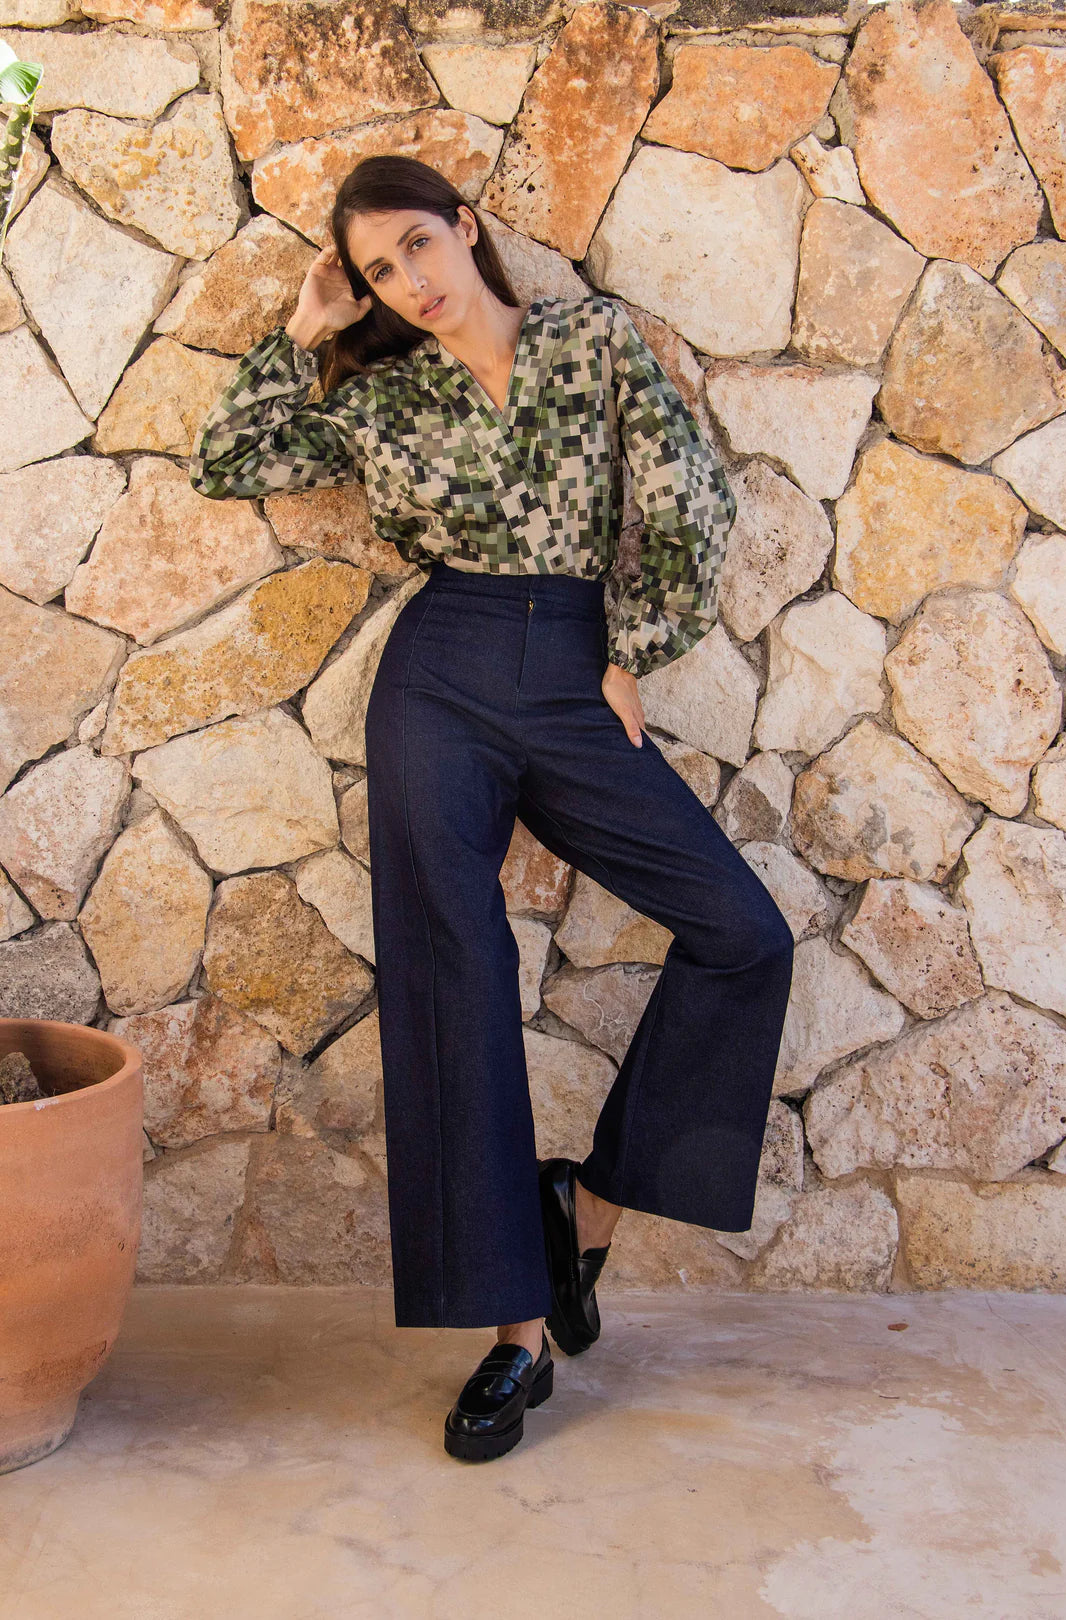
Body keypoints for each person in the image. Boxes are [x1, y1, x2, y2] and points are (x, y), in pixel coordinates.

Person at [189, 154, 795, 1464]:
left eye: (418, 245)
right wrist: (303, 335)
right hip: (442, 674)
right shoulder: (381, 390)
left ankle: (587, 1216)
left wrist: (636, 647)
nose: (408, 282)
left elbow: (690, 491)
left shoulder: (589, 348)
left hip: (577, 670)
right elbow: (226, 460)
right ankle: (516, 1333)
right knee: (453, 973)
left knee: (746, 937)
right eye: (379, 271)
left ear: (466, 227)